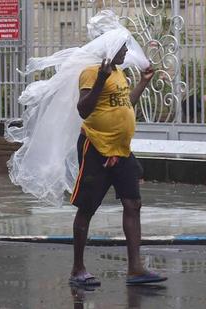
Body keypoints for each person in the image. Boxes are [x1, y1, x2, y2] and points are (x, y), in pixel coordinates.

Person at [68, 43, 167, 286]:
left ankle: (135, 269)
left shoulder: (119, 72)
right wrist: (101, 79)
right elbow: (83, 109)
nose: (127, 53)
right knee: (87, 208)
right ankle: (77, 269)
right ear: (109, 49)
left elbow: (123, 104)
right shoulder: (92, 72)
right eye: (123, 49)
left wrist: (143, 83)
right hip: (96, 148)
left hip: (121, 150)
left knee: (133, 204)